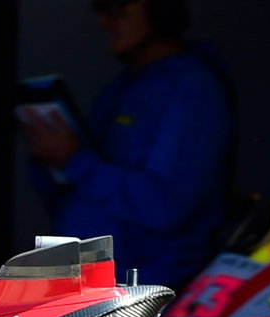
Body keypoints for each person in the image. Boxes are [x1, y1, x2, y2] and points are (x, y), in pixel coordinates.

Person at [21, 0, 232, 291]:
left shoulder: (189, 90)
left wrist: (73, 161)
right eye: (103, 12)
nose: (105, 23)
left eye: (117, 10)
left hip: (148, 290)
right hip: (95, 287)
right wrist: (50, 159)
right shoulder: (122, 87)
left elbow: (165, 205)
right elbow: (81, 194)